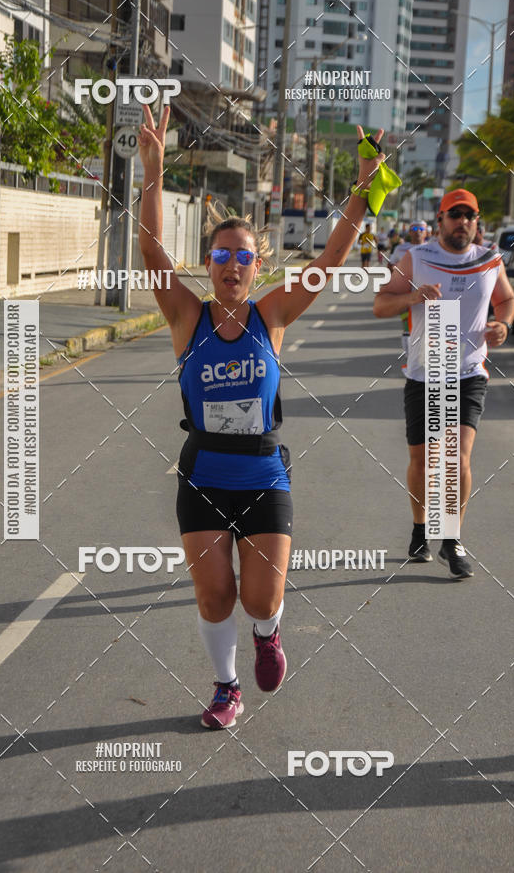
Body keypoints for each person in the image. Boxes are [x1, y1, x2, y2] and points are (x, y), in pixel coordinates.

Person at [138, 106, 385, 728]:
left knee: (259, 597)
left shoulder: (270, 316)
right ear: (210, 262)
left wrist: (362, 187)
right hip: (202, 474)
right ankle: (225, 688)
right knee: (215, 595)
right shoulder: (184, 317)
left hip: (263, 476)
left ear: (257, 264)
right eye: (220, 256)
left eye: (242, 257)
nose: (229, 265)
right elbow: (149, 250)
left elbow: (329, 259)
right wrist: (151, 169)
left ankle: (268, 633)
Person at [373, 189, 514, 578]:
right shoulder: (417, 258)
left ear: (477, 222)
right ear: (440, 221)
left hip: (469, 373)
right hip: (424, 372)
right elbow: (381, 303)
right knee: (423, 460)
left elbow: (506, 300)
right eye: (455, 215)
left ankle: (451, 541)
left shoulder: (489, 260)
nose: (463, 222)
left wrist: (502, 324)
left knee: (457, 456)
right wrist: (413, 297)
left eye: (470, 215)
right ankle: (421, 528)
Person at [387, 220, 428, 359]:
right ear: (410, 232)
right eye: (415, 228)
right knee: (407, 325)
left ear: (426, 232)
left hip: (426, 293)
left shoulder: (433, 249)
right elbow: (390, 265)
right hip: (405, 292)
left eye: (421, 229)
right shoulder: (401, 248)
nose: (418, 231)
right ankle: (410, 357)